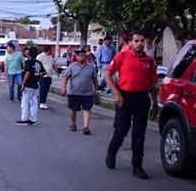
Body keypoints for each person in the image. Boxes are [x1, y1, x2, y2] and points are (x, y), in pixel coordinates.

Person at [104, 31, 158, 179]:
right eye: (136, 41)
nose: (139, 44)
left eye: (142, 41)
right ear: (131, 42)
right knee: (121, 129)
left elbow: (153, 83)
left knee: (139, 133)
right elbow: (107, 75)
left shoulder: (149, 61)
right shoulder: (122, 56)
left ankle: (137, 166)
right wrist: (117, 93)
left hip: (141, 98)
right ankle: (112, 151)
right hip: (124, 97)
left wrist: (155, 103)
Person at [61, 48, 99, 134]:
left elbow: (94, 79)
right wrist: (63, 88)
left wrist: (96, 90)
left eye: (82, 55)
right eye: (79, 55)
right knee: (73, 109)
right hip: (74, 92)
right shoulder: (72, 66)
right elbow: (65, 77)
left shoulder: (90, 67)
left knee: (87, 109)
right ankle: (73, 124)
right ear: (76, 56)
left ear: (85, 56)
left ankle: (86, 127)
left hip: (87, 93)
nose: (81, 57)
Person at [15, 46, 43, 126]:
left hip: (28, 85)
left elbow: (28, 73)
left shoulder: (29, 62)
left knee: (25, 102)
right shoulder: (38, 63)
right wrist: (37, 76)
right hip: (35, 85)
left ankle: (24, 119)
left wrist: (23, 83)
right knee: (34, 102)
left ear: (29, 53)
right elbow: (43, 72)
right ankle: (33, 119)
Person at [36, 45, 56, 109]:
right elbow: (37, 65)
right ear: (49, 50)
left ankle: (43, 102)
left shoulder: (50, 57)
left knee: (46, 89)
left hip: (49, 75)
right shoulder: (40, 56)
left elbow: (53, 65)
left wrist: (57, 71)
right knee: (43, 88)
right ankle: (41, 102)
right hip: (42, 75)